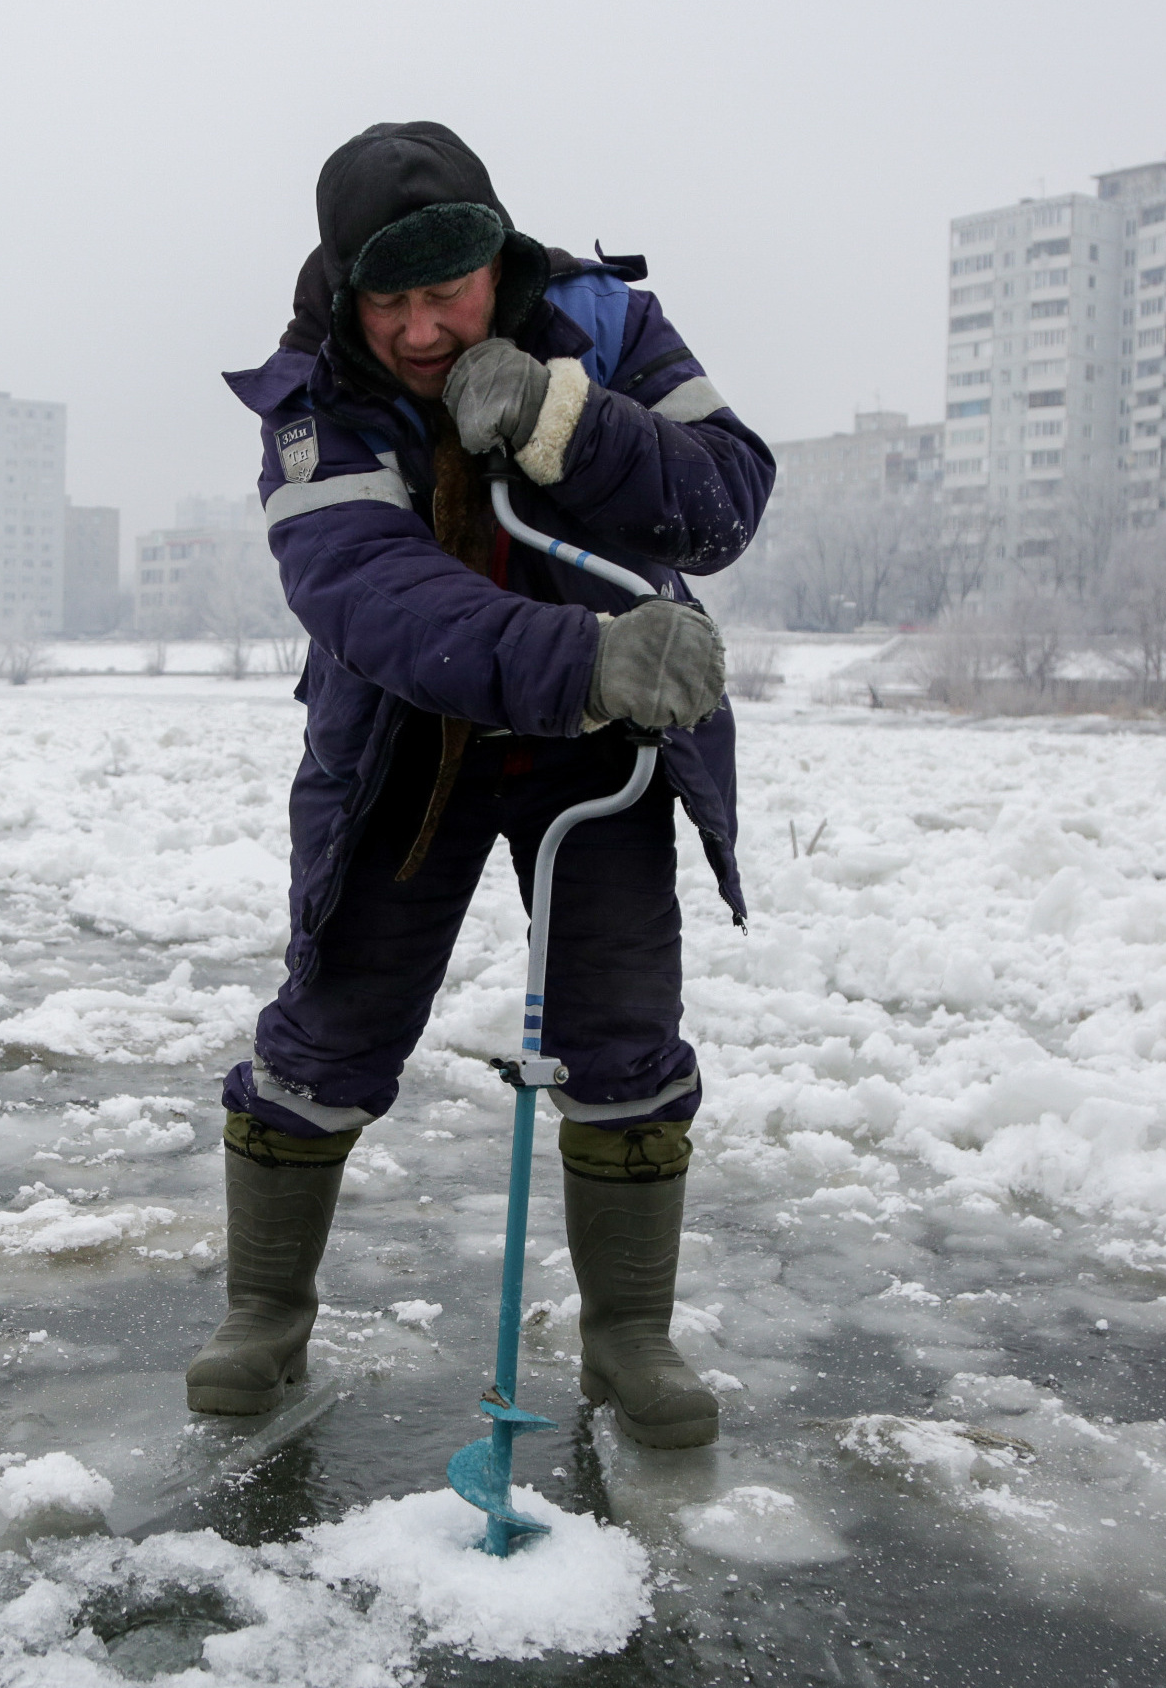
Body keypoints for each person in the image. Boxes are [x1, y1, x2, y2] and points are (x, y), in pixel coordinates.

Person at [191, 121, 772, 1449]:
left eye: (440, 291)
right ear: (346, 294)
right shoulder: (315, 402)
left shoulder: (614, 328)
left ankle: (632, 1335)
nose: (414, 327)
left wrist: (570, 424)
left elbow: (727, 500)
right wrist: (588, 656)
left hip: (607, 759)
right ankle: (264, 1316)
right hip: (410, 750)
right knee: (328, 1033)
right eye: (383, 299)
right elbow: (371, 595)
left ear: (493, 258)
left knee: (624, 1041)